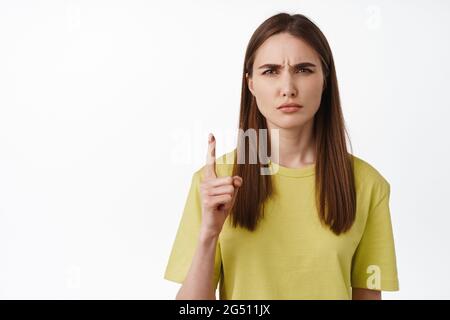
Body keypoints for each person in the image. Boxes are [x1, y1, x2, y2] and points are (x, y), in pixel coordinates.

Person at [164, 12, 399, 300]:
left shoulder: (367, 185)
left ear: (325, 80)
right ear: (250, 84)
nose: (288, 88)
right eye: (270, 71)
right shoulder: (215, 182)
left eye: (303, 69)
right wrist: (208, 234)